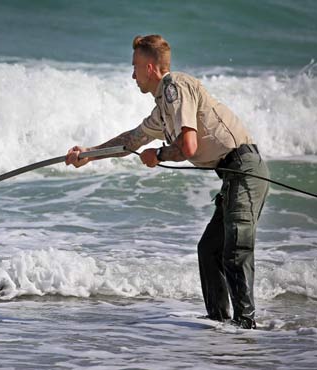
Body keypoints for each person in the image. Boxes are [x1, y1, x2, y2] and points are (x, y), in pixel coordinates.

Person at [65, 34, 269, 329]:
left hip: (245, 169)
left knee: (235, 248)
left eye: (135, 66)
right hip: (232, 175)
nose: (132, 74)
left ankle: (246, 328)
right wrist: (89, 153)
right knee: (209, 251)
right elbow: (129, 141)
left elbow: (189, 146)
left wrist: (158, 154)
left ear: (150, 68)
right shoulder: (163, 109)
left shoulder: (175, 87)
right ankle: (220, 324)